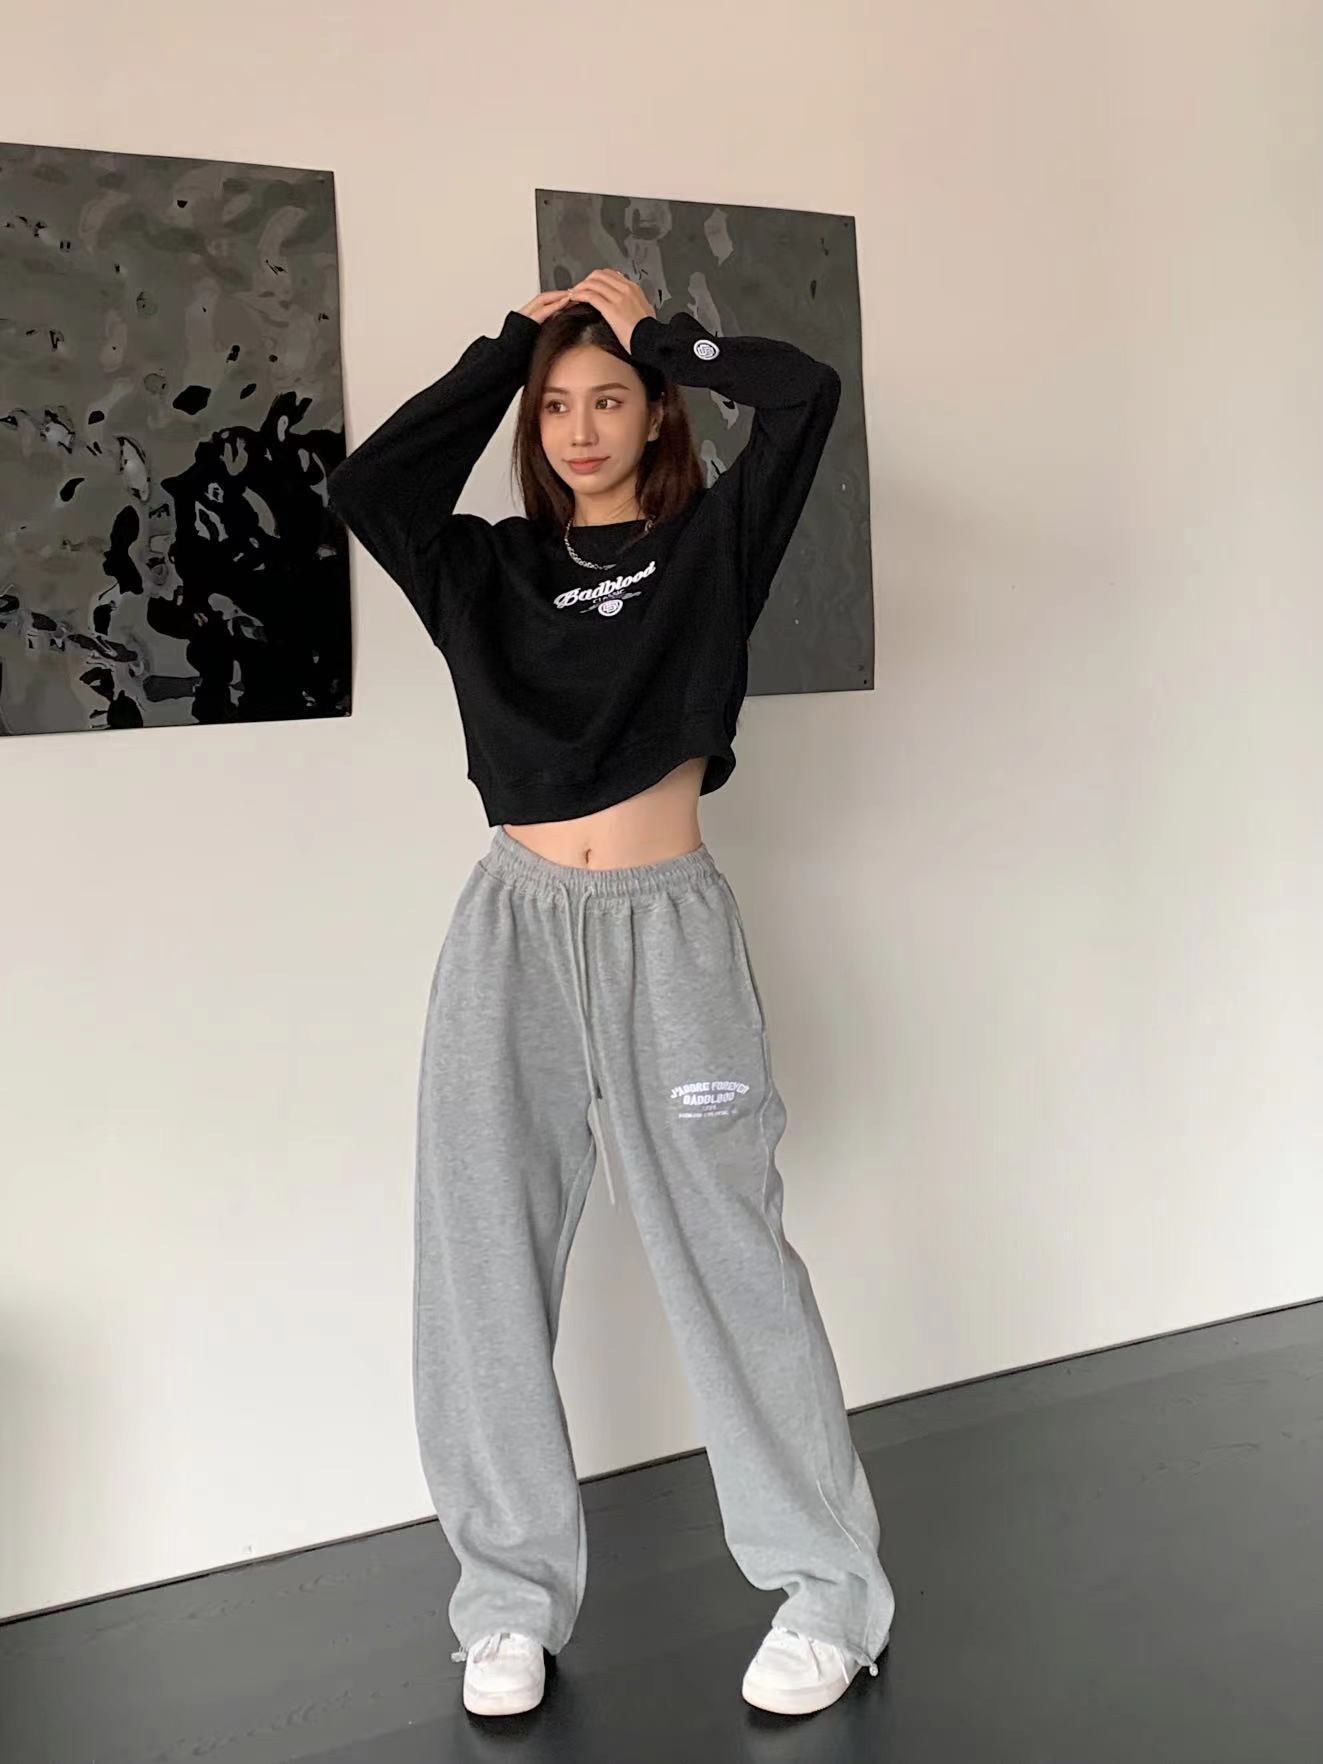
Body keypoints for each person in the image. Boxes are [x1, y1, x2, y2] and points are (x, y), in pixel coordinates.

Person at [325, 267, 896, 1719]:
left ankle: (828, 1595)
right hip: (510, 935)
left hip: (669, 937)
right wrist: (510, 347)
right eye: (557, 407)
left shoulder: (713, 545)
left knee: (731, 1257)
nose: (582, 428)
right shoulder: (483, 570)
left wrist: (661, 335)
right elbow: (370, 484)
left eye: (611, 399)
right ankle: (506, 1605)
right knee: (481, 1266)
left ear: (653, 416)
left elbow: (804, 395)